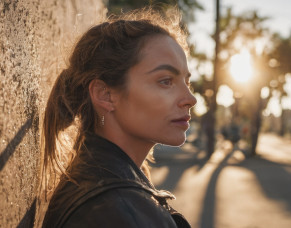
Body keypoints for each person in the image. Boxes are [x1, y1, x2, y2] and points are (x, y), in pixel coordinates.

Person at [40, 8, 196, 228]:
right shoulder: (116, 211)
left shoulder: (110, 192)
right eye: (165, 81)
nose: (190, 99)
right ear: (106, 95)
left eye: (187, 82)